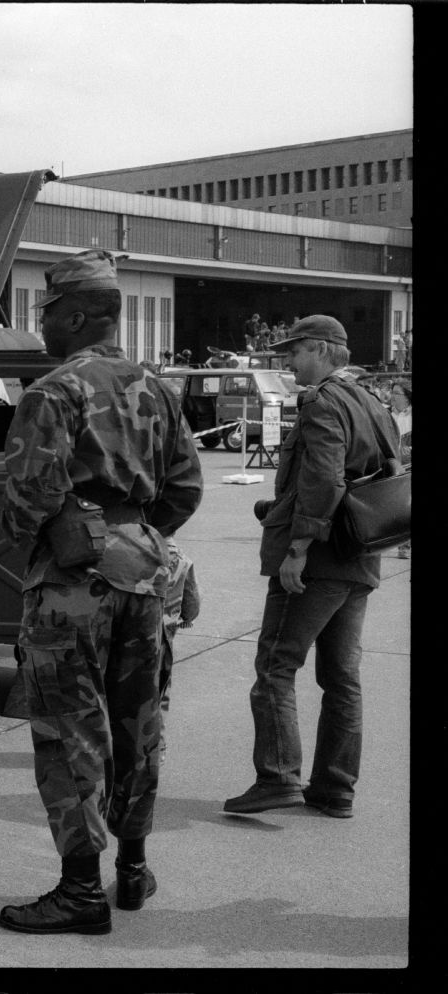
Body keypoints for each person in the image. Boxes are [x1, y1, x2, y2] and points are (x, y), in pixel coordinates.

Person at [0, 249, 203, 936]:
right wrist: (134, 534)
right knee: (140, 724)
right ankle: (134, 871)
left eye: (48, 312)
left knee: (69, 730)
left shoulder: (53, 391)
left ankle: (81, 890)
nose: (43, 325)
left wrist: (51, 536)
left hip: (73, 585)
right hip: (146, 572)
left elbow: (29, 497)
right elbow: (187, 487)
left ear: (79, 314)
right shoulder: (157, 387)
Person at [223, 315, 399, 821]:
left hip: (318, 559)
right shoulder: (370, 399)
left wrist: (299, 545)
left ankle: (278, 777)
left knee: (276, 666)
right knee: (342, 678)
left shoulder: (322, 401)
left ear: (322, 350)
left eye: (295, 351)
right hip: (358, 555)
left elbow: (322, 477)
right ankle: (334, 788)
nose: (288, 360)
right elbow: (391, 470)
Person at [159, 539, 201, 744]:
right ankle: (157, 751)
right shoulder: (178, 556)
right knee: (158, 694)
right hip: (160, 640)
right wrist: (187, 617)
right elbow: (192, 602)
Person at [387, 381, 411, 558]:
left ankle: (404, 545)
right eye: (392, 392)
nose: (392, 396)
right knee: (398, 505)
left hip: (410, 463)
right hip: (392, 464)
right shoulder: (386, 413)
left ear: (406, 396)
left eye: (397, 393)